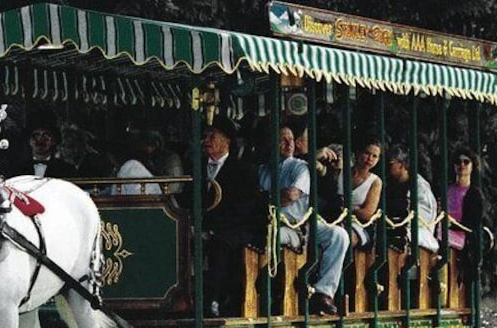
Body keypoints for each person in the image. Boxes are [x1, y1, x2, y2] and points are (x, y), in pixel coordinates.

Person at [182, 115, 262, 317]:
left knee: (220, 244)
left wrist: (213, 229)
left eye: (212, 136)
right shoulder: (196, 168)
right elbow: (187, 199)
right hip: (203, 226)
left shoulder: (244, 170)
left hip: (234, 228)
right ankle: (181, 298)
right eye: (205, 136)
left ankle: (214, 299)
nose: (207, 141)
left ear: (227, 141)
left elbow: (244, 208)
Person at [274, 124, 349, 315]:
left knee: (339, 235)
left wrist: (326, 172)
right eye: (308, 140)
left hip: (305, 219)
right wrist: (313, 158)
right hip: (284, 221)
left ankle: (323, 292)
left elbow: (331, 197)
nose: (289, 144)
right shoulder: (275, 164)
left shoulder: (304, 165)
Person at [387, 146, 440, 252]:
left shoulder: (419, 185)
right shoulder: (389, 184)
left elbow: (425, 215)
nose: (388, 167)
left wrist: (403, 223)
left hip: (416, 231)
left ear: (401, 165)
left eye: (391, 164)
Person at [2, 109, 78, 179]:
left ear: (53, 141)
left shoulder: (66, 170)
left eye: (46, 136)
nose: (40, 140)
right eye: (36, 135)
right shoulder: (17, 170)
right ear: (29, 141)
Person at [446, 147, 483, 280]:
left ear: (472, 166)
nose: (462, 165)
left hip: (462, 236)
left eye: (466, 162)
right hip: (443, 229)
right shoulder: (447, 189)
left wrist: (452, 225)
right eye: (458, 162)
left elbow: (473, 223)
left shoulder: (474, 194)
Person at [113, 129, 183, 195]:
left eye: (146, 144)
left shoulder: (172, 159)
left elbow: (175, 187)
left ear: (156, 144)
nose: (143, 149)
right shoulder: (144, 158)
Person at [347, 139, 383, 249]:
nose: (370, 159)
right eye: (367, 153)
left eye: (374, 156)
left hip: (358, 225)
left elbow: (367, 213)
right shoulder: (342, 172)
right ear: (358, 153)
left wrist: (347, 209)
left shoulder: (375, 181)